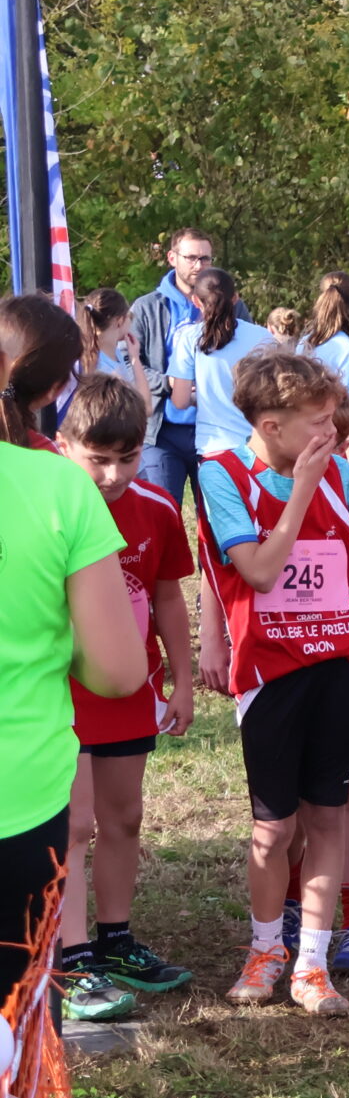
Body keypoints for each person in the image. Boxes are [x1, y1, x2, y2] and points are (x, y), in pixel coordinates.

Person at [198, 350, 349, 1015]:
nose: (331, 433)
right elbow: (260, 571)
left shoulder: (342, 475)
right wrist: (302, 489)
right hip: (270, 672)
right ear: (270, 425)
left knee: (327, 815)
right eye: (317, 422)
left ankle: (312, 963)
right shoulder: (223, 474)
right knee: (272, 828)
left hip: (338, 665)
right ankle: (266, 948)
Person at [0, 371, 146, 1006]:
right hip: (23, 792)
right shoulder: (56, 486)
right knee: (19, 1020)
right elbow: (116, 671)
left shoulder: (74, 485)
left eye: (127, 458)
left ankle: (101, 941)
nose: (111, 475)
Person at [52, 379, 192, 1024]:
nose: (113, 475)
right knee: (73, 825)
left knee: (124, 818)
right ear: (63, 445)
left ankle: (115, 938)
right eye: (98, 459)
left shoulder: (157, 508)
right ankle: (72, 954)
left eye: (127, 458)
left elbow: (167, 598)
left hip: (130, 691)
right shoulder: (49, 507)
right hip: (61, 695)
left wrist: (181, 680)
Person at [133, 228, 217, 503]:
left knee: (219, 520)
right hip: (161, 432)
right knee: (162, 512)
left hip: (215, 431)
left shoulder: (229, 305)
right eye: (191, 258)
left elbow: (249, 363)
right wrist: (167, 382)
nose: (199, 265)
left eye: (205, 259)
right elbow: (128, 363)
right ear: (172, 258)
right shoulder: (146, 308)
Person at [167, 267, 276, 464]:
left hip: (214, 448)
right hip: (259, 447)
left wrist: (201, 397)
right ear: (235, 298)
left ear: (196, 301)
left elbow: (180, 402)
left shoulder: (189, 338)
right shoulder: (262, 337)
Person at [305, 272, 349, 447]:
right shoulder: (347, 350)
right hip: (336, 444)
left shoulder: (305, 342)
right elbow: (347, 410)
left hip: (306, 439)